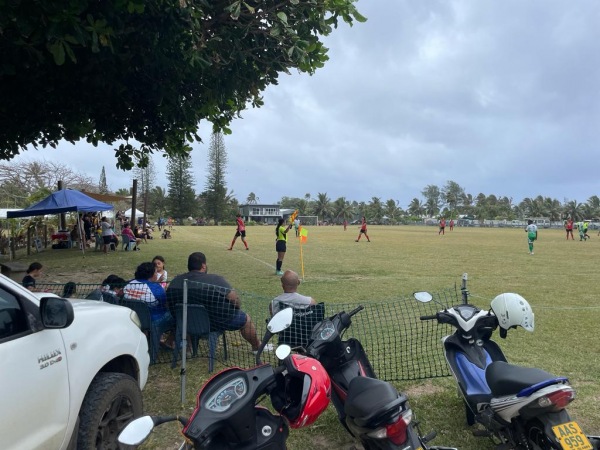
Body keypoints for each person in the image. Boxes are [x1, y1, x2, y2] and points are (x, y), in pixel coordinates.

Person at [166, 252, 263, 353]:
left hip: (185, 322)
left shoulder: (175, 282)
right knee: (246, 319)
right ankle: (257, 347)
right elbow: (235, 300)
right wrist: (236, 308)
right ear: (203, 266)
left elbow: (169, 304)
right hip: (217, 322)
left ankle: (189, 347)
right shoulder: (216, 279)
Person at [123, 262, 174, 363]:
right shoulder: (156, 288)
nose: (157, 274)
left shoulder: (129, 284)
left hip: (133, 318)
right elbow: (165, 303)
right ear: (151, 275)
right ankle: (168, 342)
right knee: (177, 316)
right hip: (154, 320)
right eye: (155, 272)